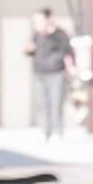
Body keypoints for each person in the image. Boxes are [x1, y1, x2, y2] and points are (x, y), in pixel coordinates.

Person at [25, 8, 74, 140]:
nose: (37, 23)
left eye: (39, 20)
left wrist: (70, 69)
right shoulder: (37, 35)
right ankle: (45, 131)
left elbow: (68, 53)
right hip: (39, 73)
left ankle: (57, 131)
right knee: (41, 103)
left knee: (56, 102)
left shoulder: (60, 34)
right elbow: (30, 51)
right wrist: (28, 49)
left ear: (48, 19)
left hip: (56, 73)